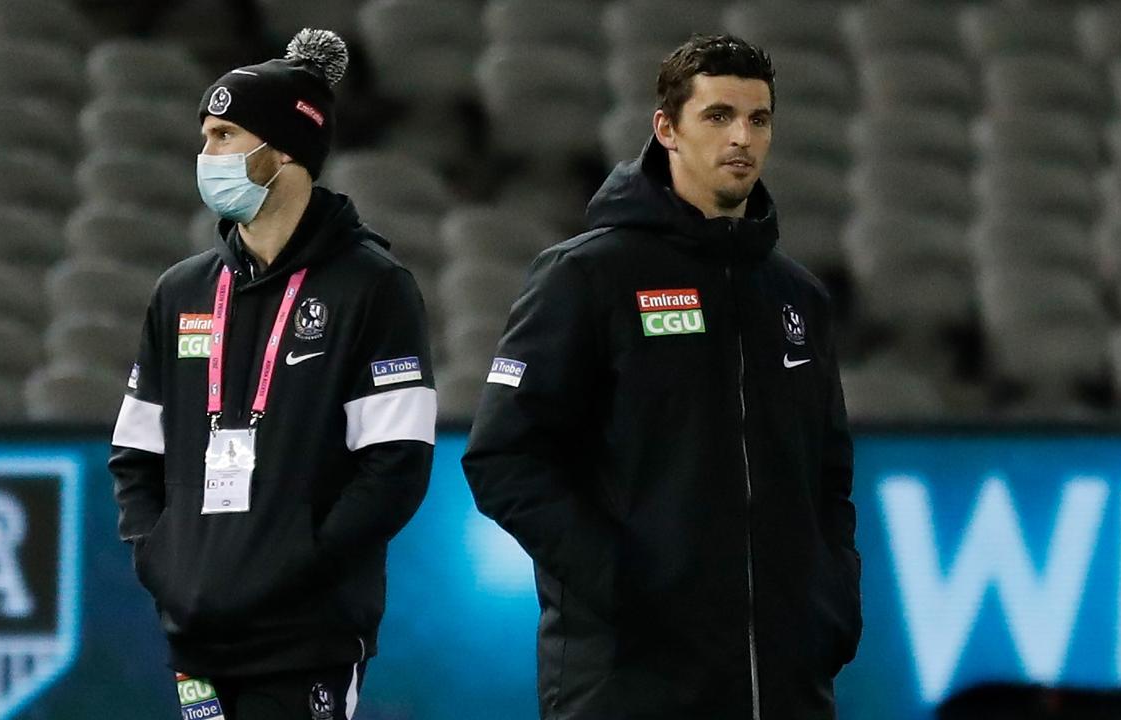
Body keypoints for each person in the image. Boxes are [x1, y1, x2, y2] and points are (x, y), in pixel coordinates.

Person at [462, 34, 860, 720]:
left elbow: (828, 479)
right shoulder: (585, 276)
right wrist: (624, 589)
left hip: (785, 686)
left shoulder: (798, 298)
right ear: (666, 128)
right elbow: (504, 458)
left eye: (758, 119)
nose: (742, 137)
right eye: (718, 116)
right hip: (629, 684)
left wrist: (829, 609)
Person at [109, 28, 436, 720]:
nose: (207, 156)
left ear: (283, 151)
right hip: (196, 638)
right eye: (206, 136)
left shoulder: (373, 287)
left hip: (305, 638)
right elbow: (136, 455)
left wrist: (296, 563)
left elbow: (396, 467)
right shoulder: (181, 292)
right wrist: (164, 561)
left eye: (225, 136)